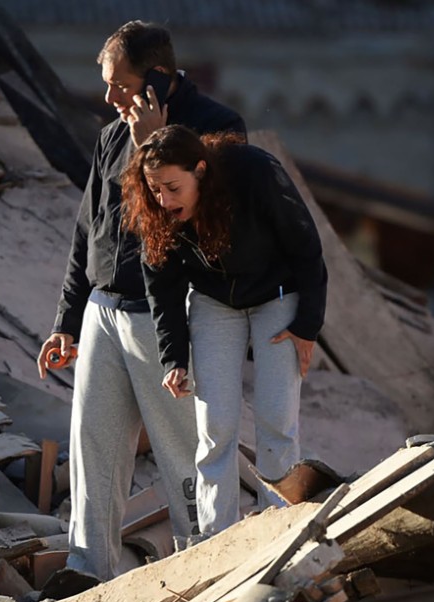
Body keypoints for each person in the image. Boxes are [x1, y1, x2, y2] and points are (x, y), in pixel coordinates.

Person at [36, 21, 246, 580]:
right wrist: (66, 321)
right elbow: (88, 232)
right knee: (92, 448)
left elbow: (208, 232)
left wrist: (151, 145)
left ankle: (198, 569)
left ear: (157, 79)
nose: (108, 97)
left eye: (118, 83)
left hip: (168, 319)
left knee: (184, 454)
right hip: (103, 313)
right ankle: (87, 569)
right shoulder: (110, 136)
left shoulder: (218, 130)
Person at [121, 125, 328, 538]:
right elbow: (162, 288)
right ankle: (217, 541)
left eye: (173, 188)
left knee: (276, 420)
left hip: (277, 297)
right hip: (214, 304)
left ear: (200, 170)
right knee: (214, 427)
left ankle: (281, 532)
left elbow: (307, 247)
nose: (163, 201)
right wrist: (174, 359)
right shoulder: (159, 212)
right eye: (155, 190)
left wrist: (307, 326)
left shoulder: (254, 173)